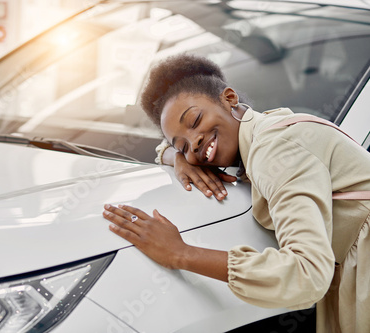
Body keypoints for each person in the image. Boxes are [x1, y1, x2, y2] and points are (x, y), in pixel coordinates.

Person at [102, 54, 370, 333]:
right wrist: (176, 157)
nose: (194, 144)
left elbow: (307, 274)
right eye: (183, 146)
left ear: (229, 99)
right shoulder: (261, 130)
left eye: (194, 120)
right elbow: (166, 147)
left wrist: (180, 253)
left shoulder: (275, 150)